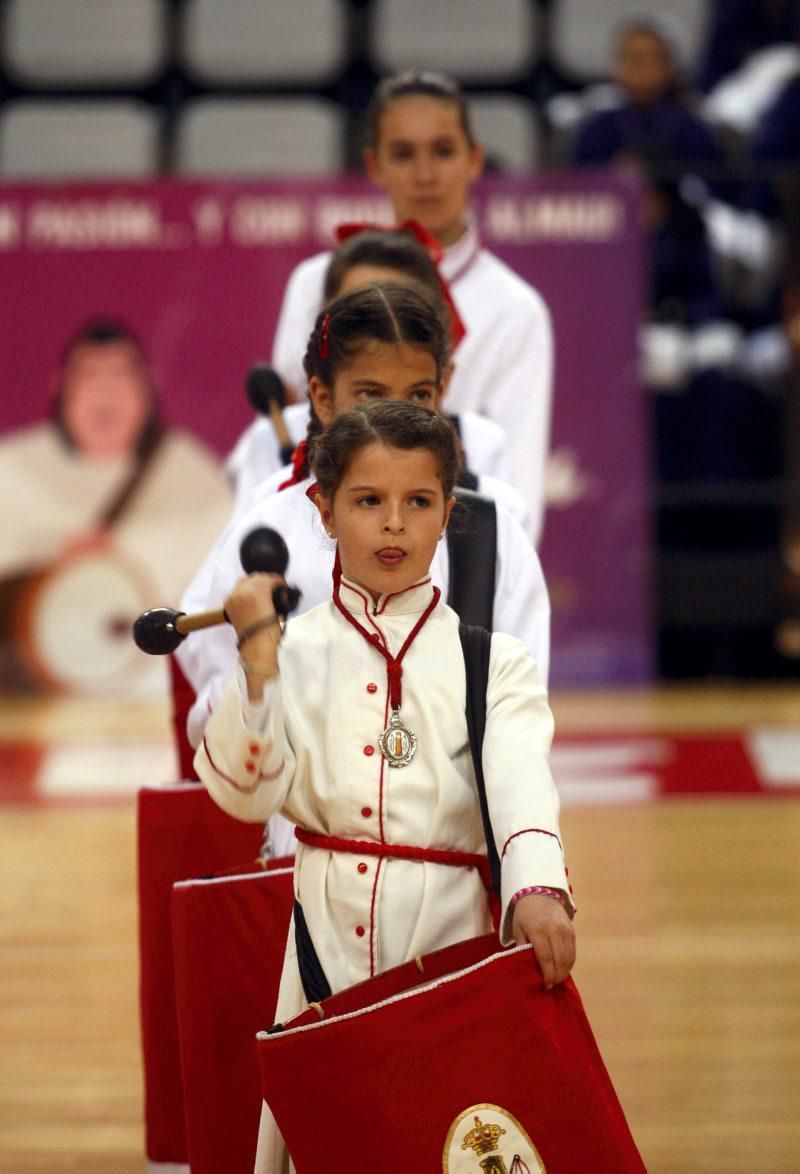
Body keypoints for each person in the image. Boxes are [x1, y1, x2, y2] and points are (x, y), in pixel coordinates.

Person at [194, 398, 575, 1171]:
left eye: (419, 502)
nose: (394, 524)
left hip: (453, 949)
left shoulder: (492, 660)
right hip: (321, 944)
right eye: (369, 501)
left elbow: (522, 781)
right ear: (324, 512)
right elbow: (243, 794)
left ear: (448, 515)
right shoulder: (290, 651)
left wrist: (538, 886)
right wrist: (258, 668)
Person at [180, 284, 551, 774]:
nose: (395, 419)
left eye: (418, 395)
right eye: (371, 395)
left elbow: (520, 722)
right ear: (322, 398)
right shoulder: (269, 526)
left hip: (454, 840)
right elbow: (217, 732)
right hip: (305, 840)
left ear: (442, 392)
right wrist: (257, 669)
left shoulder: (494, 534)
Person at [270, 70, 554, 546]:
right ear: (374, 165)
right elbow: (288, 444)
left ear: (474, 159)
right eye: (403, 154)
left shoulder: (516, 308)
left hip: (450, 558)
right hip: (323, 548)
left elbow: (518, 501)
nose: (425, 174)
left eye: (443, 151)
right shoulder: (315, 282)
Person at [0, 318, 231, 694]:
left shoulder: (189, 474)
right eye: (90, 374)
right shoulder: (12, 472)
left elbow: (219, 590)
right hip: (38, 716)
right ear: (59, 385)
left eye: (121, 375)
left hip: (153, 707)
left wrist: (128, 565)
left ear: (149, 387)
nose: (105, 391)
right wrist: (49, 566)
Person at [227, 225, 518, 518]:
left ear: (443, 381)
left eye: (418, 394)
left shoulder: (491, 501)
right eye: (370, 394)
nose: (384, 321)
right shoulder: (272, 494)